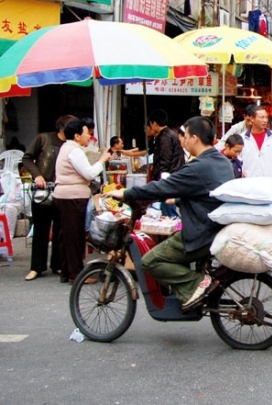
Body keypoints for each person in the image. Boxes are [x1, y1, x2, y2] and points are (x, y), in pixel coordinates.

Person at [108, 117, 234, 310]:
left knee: (150, 261)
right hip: (214, 229)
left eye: (185, 136)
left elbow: (162, 186)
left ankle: (195, 284)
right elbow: (208, 195)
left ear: (194, 138)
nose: (183, 141)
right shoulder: (222, 162)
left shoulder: (198, 167)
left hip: (201, 233)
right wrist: (177, 200)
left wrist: (126, 193)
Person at [53, 119, 111, 282]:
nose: (89, 136)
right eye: (86, 133)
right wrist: (102, 160)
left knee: (67, 236)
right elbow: (89, 174)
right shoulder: (74, 151)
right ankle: (76, 275)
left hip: (64, 196)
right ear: (77, 136)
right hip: (72, 197)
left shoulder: (67, 148)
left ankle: (67, 272)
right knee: (75, 237)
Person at [22, 114, 76, 281]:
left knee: (60, 229)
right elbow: (27, 158)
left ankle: (58, 265)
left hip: (63, 191)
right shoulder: (43, 139)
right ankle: (36, 267)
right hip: (43, 191)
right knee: (40, 229)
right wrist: (37, 175)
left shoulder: (72, 145)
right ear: (62, 128)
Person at [147, 109, 185, 217]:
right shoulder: (167, 134)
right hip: (172, 175)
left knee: (168, 207)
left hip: (169, 176)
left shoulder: (165, 137)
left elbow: (165, 159)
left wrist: (160, 178)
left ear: (154, 123)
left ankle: (173, 223)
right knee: (167, 206)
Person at [239, 105, 272, 179]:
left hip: (269, 181)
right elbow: (238, 161)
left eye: (266, 117)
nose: (265, 120)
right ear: (252, 119)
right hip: (248, 182)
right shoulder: (242, 138)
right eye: (261, 117)